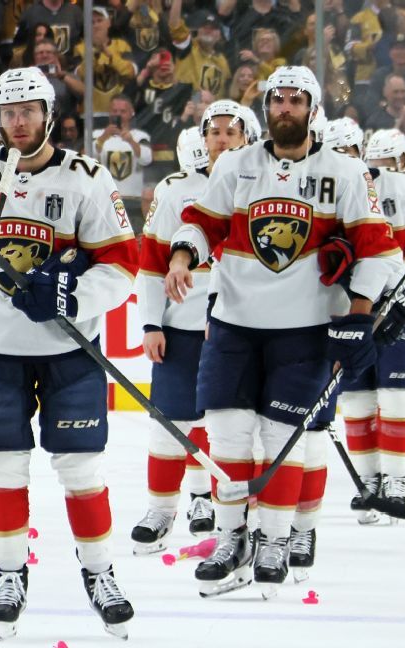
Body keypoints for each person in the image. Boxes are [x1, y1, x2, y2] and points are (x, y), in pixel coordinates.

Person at [164, 66, 402, 598]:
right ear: (267, 108)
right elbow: (203, 222)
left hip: (306, 329)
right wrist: (183, 254)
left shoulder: (344, 172)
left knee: (281, 439)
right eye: (278, 100)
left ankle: (273, 538)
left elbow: (380, 250)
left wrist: (359, 313)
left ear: (313, 109)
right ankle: (231, 538)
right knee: (225, 434)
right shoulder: (237, 164)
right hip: (233, 324)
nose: (286, 108)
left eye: (297, 100)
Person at [0, 68, 139, 640]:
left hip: (67, 351)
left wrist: (71, 296)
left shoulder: (87, 177)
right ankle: (9, 573)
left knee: (80, 467)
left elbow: (122, 265)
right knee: (2, 466)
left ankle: (99, 572)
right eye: (8, 113)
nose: (18, 122)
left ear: (50, 114)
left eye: (28, 110)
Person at [130, 102, 254, 554]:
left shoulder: (258, 183)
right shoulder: (175, 189)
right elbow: (151, 261)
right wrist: (149, 322)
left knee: (229, 428)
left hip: (238, 328)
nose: (221, 139)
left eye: (230, 132)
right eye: (214, 132)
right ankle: (161, 510)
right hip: (181, 328)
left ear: (246, 137)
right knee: (169, 424)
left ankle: (225, 513)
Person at [333, 121, 405, 520]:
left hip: (393, 305)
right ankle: (367, 481)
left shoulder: (397, 184)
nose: (343, 161)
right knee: (357, 397)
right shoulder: (322, 190)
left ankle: (394, 479)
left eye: (349, 152)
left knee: (395, 394)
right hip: (347, 307)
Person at [92, 94, 151, 231]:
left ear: (131, 113)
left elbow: (147, 159)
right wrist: (103, 138)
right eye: (114, 111)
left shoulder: (140, 136)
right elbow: (88, 159)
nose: (118, 114)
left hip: (133, 201)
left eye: (123, 111)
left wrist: (131, 141)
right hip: (106, 202)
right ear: (109, 113)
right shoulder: (97, 135)